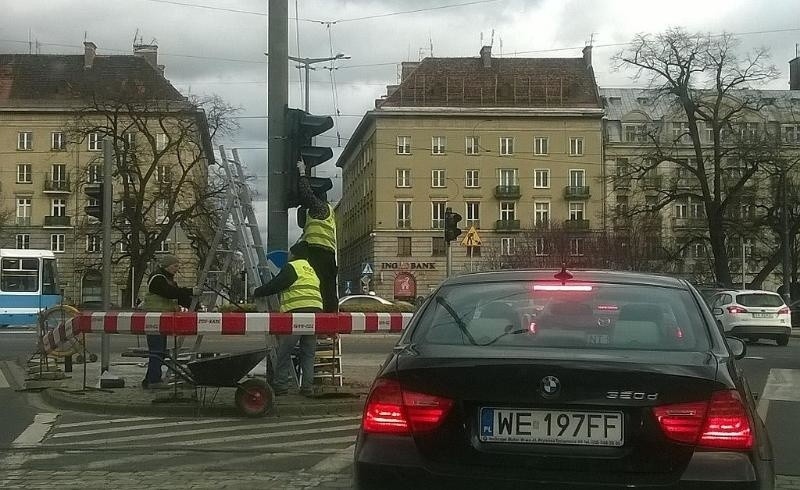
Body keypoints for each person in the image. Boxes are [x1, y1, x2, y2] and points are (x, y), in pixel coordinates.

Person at [252, 245, 323, 396]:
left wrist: (258, 292)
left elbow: (277, 284)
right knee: (308, 353)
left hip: (298, 312)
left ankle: (281, 385)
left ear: (293, 254)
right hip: (315, 312)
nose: (288, 255)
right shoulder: (311, 269)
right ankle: (307, 388)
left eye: (289, 253)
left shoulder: (292, 267)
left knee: (284, 350)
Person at [140, 254, 194, 389]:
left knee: (159, 351)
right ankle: (153, 381)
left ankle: (149, 380)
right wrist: (190, 291)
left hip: (162, 319)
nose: (177, 269)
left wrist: (194, 305)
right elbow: (170, 293)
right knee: (157, 350)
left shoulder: (168, 279)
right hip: (154, 319)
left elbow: (177, 296)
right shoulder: (157, 278)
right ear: (167, 266)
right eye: (175, 266)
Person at [296, 161, 339, 313]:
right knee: (328, 290)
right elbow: (303, 224)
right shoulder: (327, 211)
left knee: (319, 289)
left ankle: (323, 323)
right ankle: (331, 325)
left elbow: (307, 194)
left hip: (318, 254)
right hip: (327, 255)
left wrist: (302, 172)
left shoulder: (319, 207)